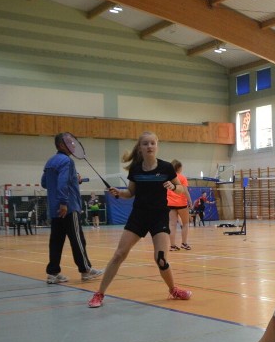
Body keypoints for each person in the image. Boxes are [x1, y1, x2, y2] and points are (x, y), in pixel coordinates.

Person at [87, 132, 192, 308]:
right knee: (119, 254)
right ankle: (99, 293)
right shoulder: (135, 169)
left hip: (159, 216)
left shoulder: (166, 167)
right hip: (139, 216)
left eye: (152, 143)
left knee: (161, 259)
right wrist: (119, 193)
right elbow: (130, 193)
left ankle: (173, 289)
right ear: (140, 148)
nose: (149, 146)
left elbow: (181, 188)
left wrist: (173, 186)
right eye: (145, 144)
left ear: (157, 146)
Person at [41, 133, 104, 284]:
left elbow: (45, 183)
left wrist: (73, 177)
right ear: (61, 145)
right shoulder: (67, 161)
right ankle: (86, 270)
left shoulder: (50, 161)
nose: (73, 145)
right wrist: (64, 202)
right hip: (68, 207)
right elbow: (62, 183)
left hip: (55, 209)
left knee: (56, 241)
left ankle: (53, 273)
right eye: (69, 142)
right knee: (78, 239)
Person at [167, 160, 192, 250]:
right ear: (179, 168)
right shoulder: (182, 178)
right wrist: (190, 202)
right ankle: (184, 243)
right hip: (181, 203)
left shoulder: (168, 178)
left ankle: (172, 245)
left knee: (172, 225)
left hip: (170, 204)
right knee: (185, 224)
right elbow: (185, 191)